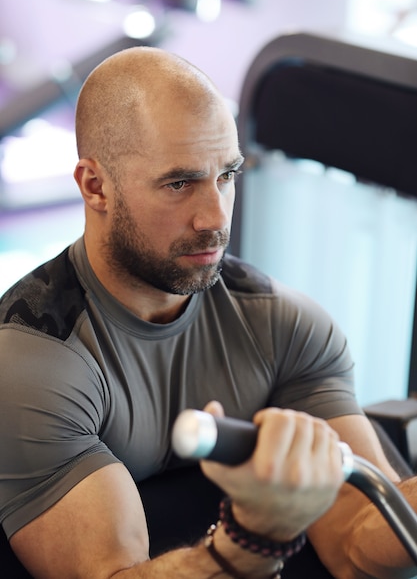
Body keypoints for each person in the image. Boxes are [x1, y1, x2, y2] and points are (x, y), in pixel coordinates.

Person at [0, 46, 415, 579]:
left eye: (228, 174)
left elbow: (363, 548)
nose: (216, 217)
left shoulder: (283, 325)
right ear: (95, 186)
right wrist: (251, 539)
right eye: (180, 183)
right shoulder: (33, 360)